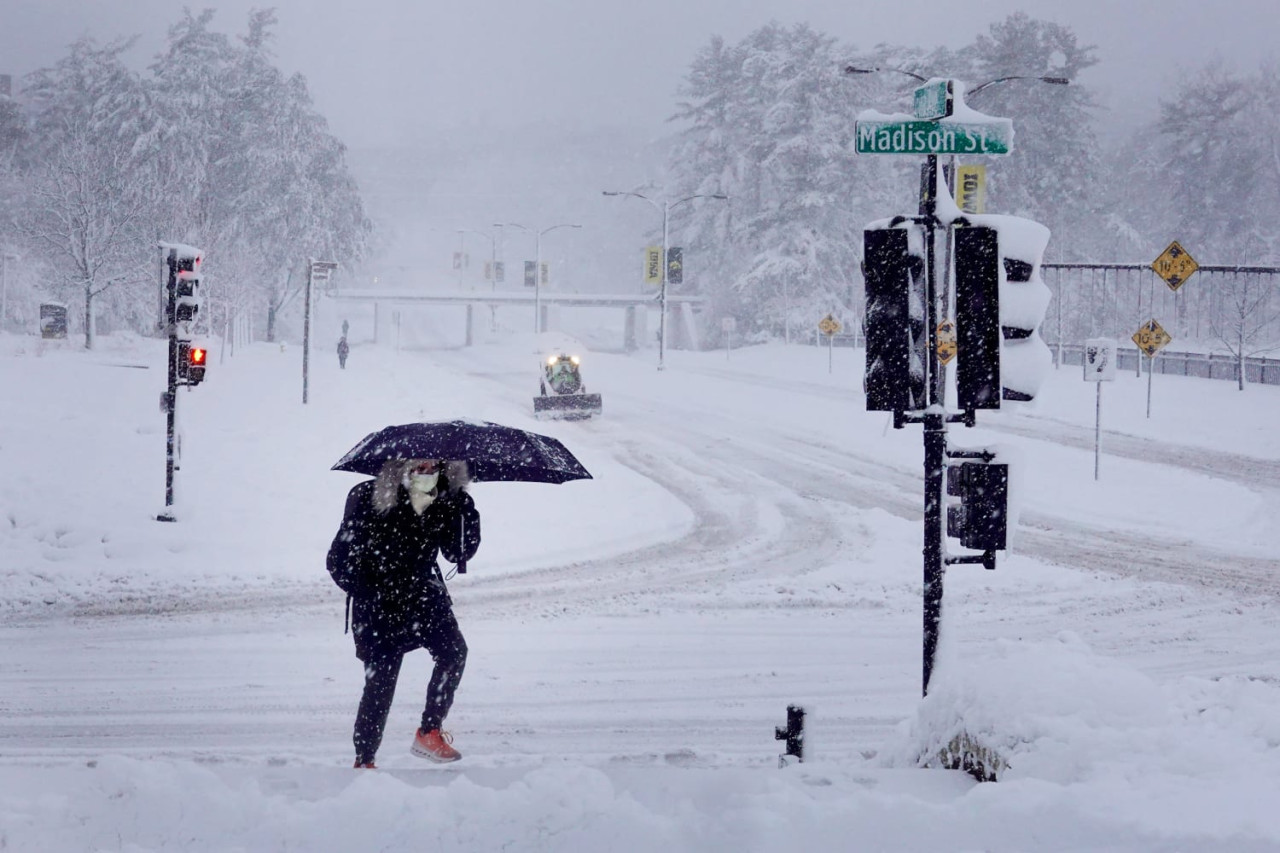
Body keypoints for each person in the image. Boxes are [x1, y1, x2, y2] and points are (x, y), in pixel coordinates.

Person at [327, 458, 480, 768]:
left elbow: (457, 553)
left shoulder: (446, 500)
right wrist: (370, 588)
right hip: (380, 605)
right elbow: (338, 559)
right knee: (380, 683)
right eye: (418, 467)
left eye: (432, 467)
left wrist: (465, 510)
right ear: (401, 467)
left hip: (424, 597)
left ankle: (429, 732)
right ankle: (364, 758)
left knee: (454, 653)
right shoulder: (373, 497)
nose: (426, 473)